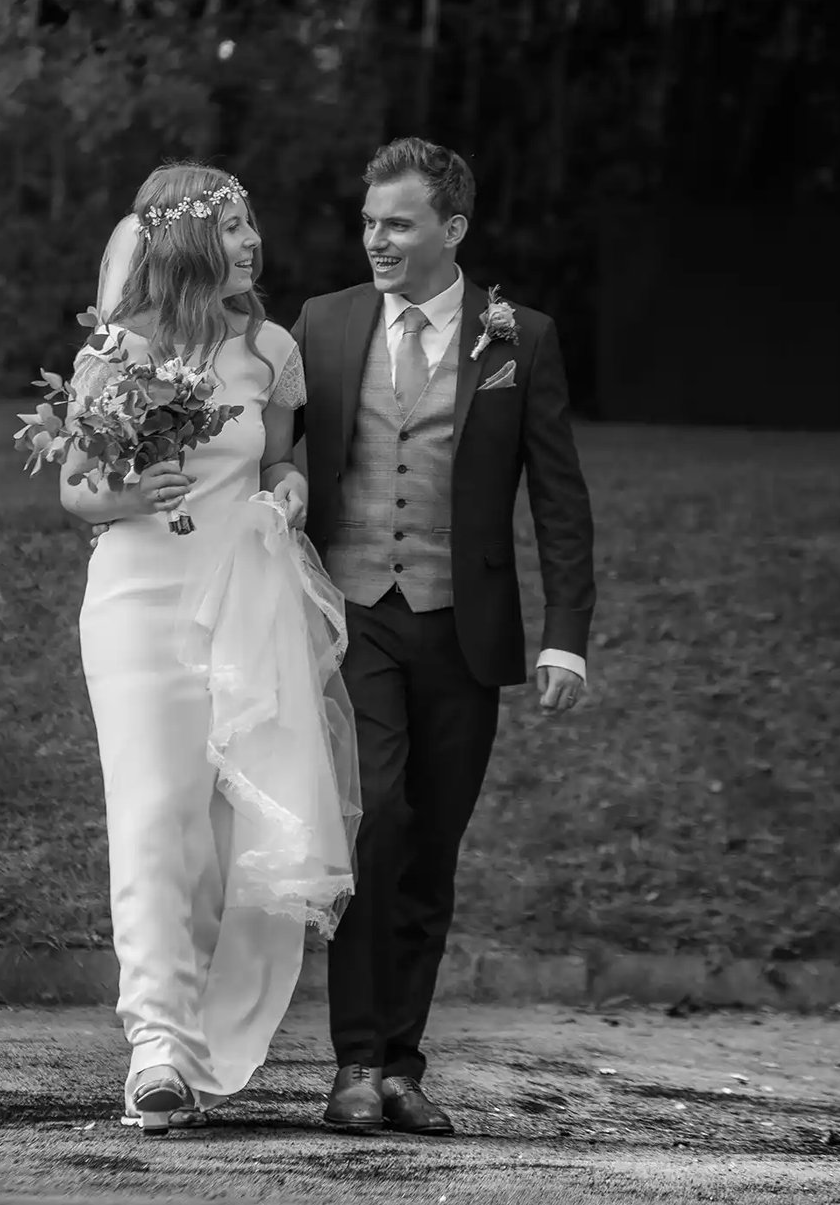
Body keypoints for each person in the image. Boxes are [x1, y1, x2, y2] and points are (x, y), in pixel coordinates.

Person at [286, 136, 596, 1135]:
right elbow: (273, 446)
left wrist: (567, 636)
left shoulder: (520, 339)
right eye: (369, 222)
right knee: (376, 817)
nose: (375, 239)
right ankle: (353, 1064)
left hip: (464, 628)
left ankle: (403, 1068)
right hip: (353, 615)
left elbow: (559, 497)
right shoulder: (324, 325)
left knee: (432, 849)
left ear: (450, 230)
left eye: (398, 223)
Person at [61, 162, 361, 1134]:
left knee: (230, 836)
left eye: (251, 225)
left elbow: (279, 453)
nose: (250, 243)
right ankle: (152, 1047)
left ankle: (201, 1040)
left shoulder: (271, 348)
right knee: (155, 816)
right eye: (231, 228)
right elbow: (75, 486)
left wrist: (289, 488)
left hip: (240, 601)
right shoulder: (121, 349)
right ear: (188, 241)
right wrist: (124, 495)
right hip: (137, 603)